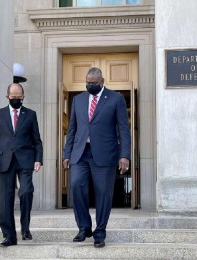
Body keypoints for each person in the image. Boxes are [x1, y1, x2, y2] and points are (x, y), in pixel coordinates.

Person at [63, 67, 131, 248]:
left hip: (105, 154)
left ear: (102, 81)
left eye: (93, 83)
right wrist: (67, 153)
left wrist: (125, 155)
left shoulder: (116, 99)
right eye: (87, 83)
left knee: (103, 193)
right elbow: (72, 130)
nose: (89, 86)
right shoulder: (78, 100)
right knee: (77, 185)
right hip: (80, 153)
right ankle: (84, 227)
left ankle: (100, 231)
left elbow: (124, 129)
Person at [0, 83, 43, 247]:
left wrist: (38, 159)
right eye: (14, 98)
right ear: (7, 97)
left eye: (19, 98)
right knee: (6, 200)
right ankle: (9, 236)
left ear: (23, 97)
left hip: (25, 159)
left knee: (26, 191)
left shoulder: (30, 115)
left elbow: (37, 140)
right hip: (5, 160)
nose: (17, 100)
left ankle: (25, 227)